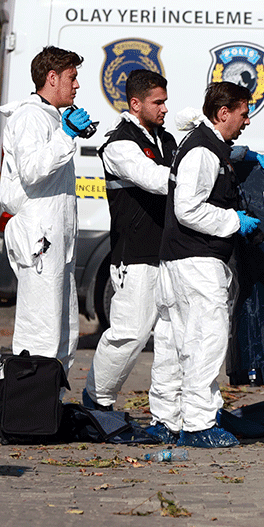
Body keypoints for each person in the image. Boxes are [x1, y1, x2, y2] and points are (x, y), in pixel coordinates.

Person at [155, 81, 261, 449]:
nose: (247, 121)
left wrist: (236, 157)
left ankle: (184, 416)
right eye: (243, 114)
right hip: (196, 260)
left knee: (183, 343)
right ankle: (199, 425)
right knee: (206, 340)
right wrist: (234, 221)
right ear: (223, 113)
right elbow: (188, 208)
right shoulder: (203, 152)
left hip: (181, 260)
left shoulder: (207, 145)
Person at [82, 70, 177, 434]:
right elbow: (154, 179)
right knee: (130, 333)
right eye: (158, 102)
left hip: (168, 252)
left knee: (169, 335)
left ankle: (167, 413)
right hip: (134, 254)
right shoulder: (119, 144)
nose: (165, 108)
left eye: (165, 101)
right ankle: (97, 399)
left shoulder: (165, 139)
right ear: (136, 104)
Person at [0, 46, 93, 373]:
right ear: (52, 78)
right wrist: (66, 136)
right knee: (40, 330)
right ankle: (29, 410)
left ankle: (51, 408)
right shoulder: (29, 117)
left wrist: (65, 131)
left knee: (64, 329)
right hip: (39, 236)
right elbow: (32, 170)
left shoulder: (50, 117)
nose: (77, 85)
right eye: (72, 77)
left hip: (57, 237)